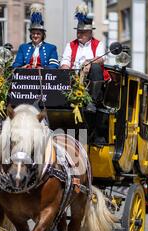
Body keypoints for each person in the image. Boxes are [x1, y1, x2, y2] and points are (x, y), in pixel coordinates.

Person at [60, 3, 111, 145]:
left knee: (95, 67)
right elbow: (65, 60)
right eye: (78, 31)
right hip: (74, 79)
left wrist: (90, 61)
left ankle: (91, 102)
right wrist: (65, 68)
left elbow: (102, 58)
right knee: (63, 71)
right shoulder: (71, 45)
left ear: (89, 33)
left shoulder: (98, 44)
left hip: (92, 80)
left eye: (82, 32)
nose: (79, 34)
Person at [12, 4, 59, 69]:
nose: (35, 35)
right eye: (33, 33)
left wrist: (43, 69)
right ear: (30, 34)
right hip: (26, 77)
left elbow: (54, 66)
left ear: (42, 35)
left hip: (44, 77)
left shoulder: (51, 48)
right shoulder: (23, 47)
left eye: (38, 33)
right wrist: (22, 67)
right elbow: (16, 64)